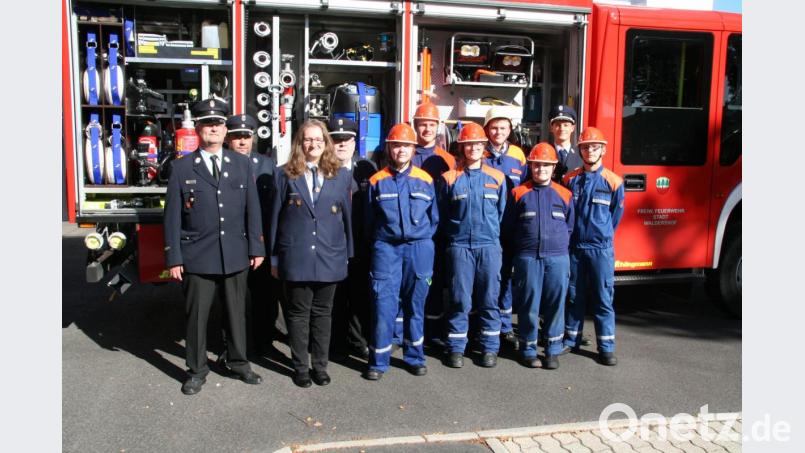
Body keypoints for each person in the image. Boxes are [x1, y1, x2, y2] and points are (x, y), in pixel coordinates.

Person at [163, 98, 265, 395]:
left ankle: (239, 362)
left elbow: (252, 209)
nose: (214, 128)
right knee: (196, 317)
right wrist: (174, 257)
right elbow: (171, 217)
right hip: (197, 254)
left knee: (237, 313)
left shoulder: (242, 164)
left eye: (218, 123)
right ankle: (196, 370)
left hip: (234, 251)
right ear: (197, 128)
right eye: (207, 123)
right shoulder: (182, 168)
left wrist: (256, 248)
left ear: (225, 129)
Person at [269, 119, 354, 387]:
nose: (313, 144)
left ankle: (320, 366)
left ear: (326, 143)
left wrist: (347, 254)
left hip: (330, 256)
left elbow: (347, 220)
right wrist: (274, 257)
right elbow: (274, 220)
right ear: (299, 142)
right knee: (297, 314)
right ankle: (300, 367)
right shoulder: (284, 174)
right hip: (296, 257)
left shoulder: (341, 175)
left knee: (322, 314)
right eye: (308, 139)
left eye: (319, 139)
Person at [364, 123, 439, 381]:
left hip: (419, 249)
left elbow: (434, 218)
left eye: (406, 146)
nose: (401, 150)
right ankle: (379, 360)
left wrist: (423, 242)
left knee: (415, 305)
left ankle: (414, 357)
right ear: (389, 148)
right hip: (386, 249)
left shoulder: (426, 180)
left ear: (413, 149)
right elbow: (368, 222)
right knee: (383, 306)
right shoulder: (377, 181)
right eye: (396, 145)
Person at [437, 122, 506, 368]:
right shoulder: (449, 178)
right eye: (469, 144)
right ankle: (456, 348)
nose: (474, 148)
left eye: (478, 144)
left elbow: (501, 213)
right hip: (459, 247)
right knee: (459, 299)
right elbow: (442, 215)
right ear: (462, 147)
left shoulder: (497, 178)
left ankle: (489, 348)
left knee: (489, 299)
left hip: (489, 246)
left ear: (484, 147)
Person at [562, 127, 625, 366]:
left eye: (595, 147)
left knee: (602, 298)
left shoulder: (613, 182)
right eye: (586, 147)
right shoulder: (570, 180)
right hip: (575, 247)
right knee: (574, 295)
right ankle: (571, 339)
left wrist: (601, 236)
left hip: (601, 249)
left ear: (603, 150)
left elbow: (615, 216)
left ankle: (606, 346)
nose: (590, 151)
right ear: (580, 150)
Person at [221, 113, 282, 358]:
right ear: (228, 139)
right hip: (231, 242)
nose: (243, 142)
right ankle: (230, 347)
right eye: (237, 137)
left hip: (261, 243)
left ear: (253, 138)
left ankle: (264, 343)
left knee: (264, 297)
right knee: (231, 299)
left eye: (247, 136)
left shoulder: (267, 167)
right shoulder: (220, 165)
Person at [509, 143, 574, 369]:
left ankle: (552, 350)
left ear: (553, 168)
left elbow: (570, 227)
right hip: (528, 258)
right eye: (537, 165)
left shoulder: (565, 194)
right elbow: (510, 227)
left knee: (555, 305)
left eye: (546, 165)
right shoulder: (518, 193)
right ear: (531, 166)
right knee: (529, 305)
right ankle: (527, 349)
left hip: (557, 258)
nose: (541, 170)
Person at [327, 118, 376, 361]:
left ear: (354, 141)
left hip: (360, 242)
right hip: (331, 243)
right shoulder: (321, 169)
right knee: (333, 295)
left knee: (359, 295)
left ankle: (358, 340)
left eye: (346, 139)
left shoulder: (368, 168)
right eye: (336, 139)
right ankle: (333, 342)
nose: (341, 144)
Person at [410, 102, 456, 348]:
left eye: (431, 124)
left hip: (436, 232)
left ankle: (434, 332)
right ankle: (408, 332)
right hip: (409, 231)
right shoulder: (405, 151)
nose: (427, 129)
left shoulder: (448, 159)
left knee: (435, 283)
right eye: (422, 124)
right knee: (409, 282)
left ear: (438, 127)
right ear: (415, 125)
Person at [482, 106, 527, 351]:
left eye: (503, 127)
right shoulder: (479, 152)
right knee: (488, 278)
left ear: (510, 129)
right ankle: (484, 321)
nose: (498, 132)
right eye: (494, 127)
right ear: (487, 129)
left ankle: (505, 326)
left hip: (512, 227)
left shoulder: (519, 155)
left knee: (507, 277)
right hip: (487, 228)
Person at [549, 104, 583, 183]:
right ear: (551, 128)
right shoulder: (545, 153)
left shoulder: (581, 154)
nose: (562, 129)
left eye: (566, 125)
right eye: (558, 125)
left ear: (572, 128)